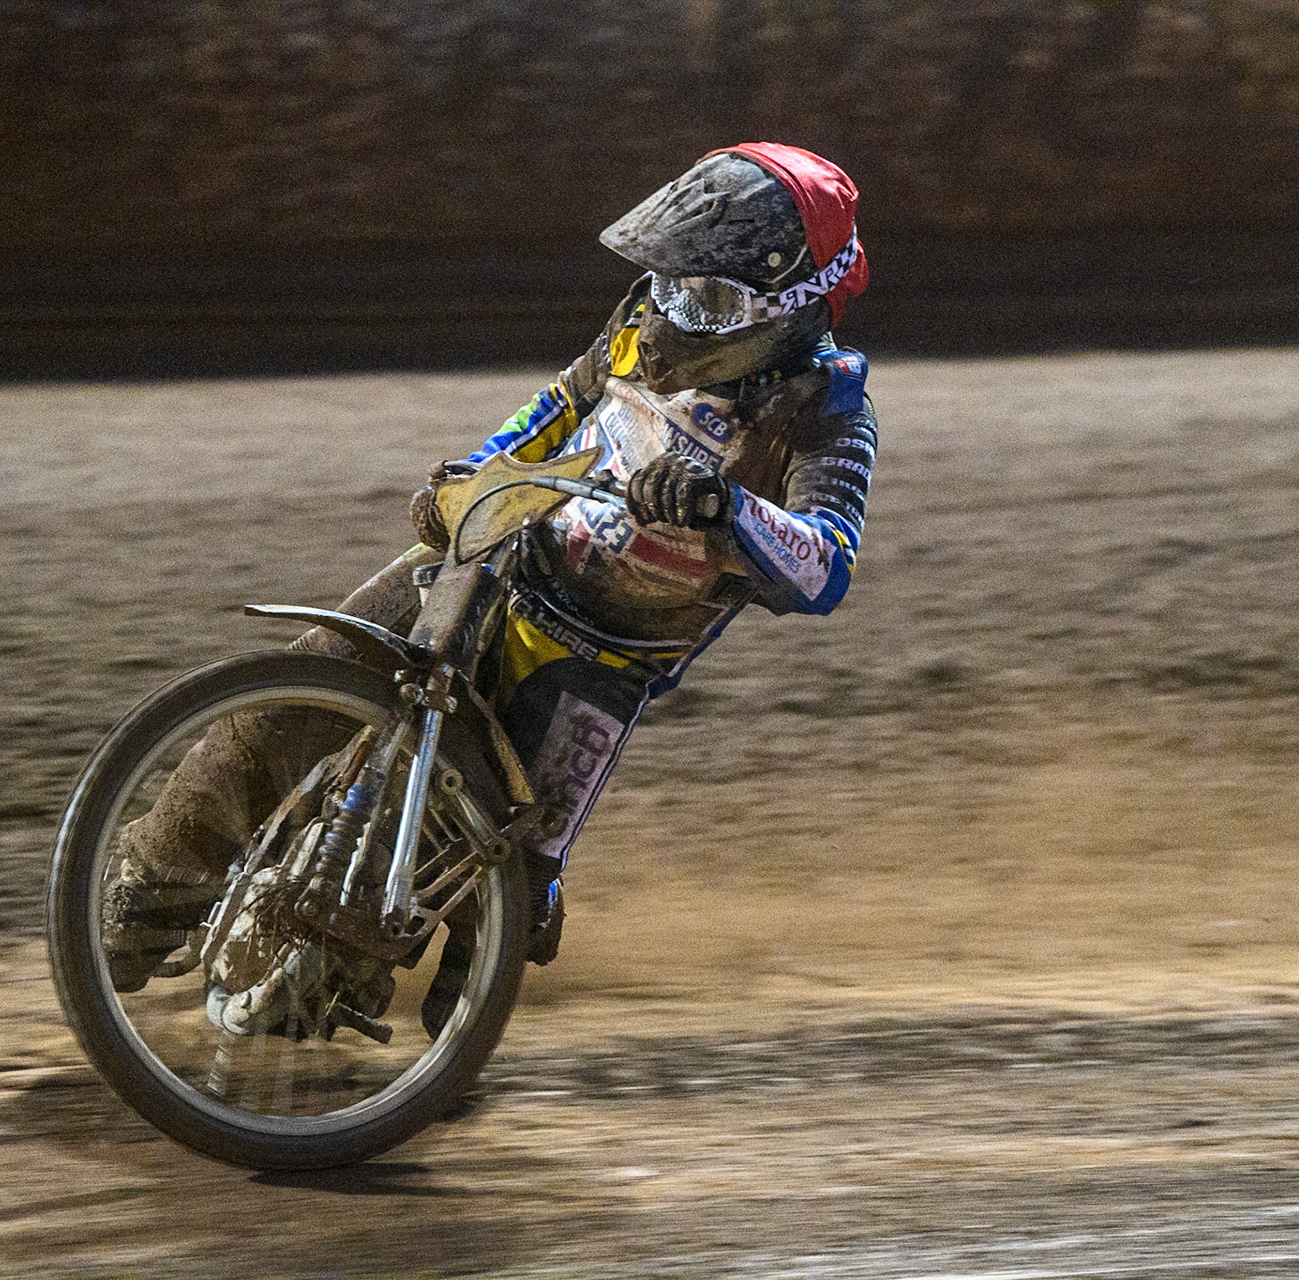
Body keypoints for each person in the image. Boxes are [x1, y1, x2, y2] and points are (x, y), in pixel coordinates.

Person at [103, 143, 878, 1032]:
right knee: (296, 693)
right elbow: (558, 405)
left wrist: (725, 507)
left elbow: (827, 563)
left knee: (500, 880)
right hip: (497, 555)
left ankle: (399, 997)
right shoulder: (638, 322)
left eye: (706, 301)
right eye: (671, 285)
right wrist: (471, 477)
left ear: (789, 310)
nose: (672, 316)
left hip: (600, 660)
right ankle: (143, 892)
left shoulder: (827, 412)